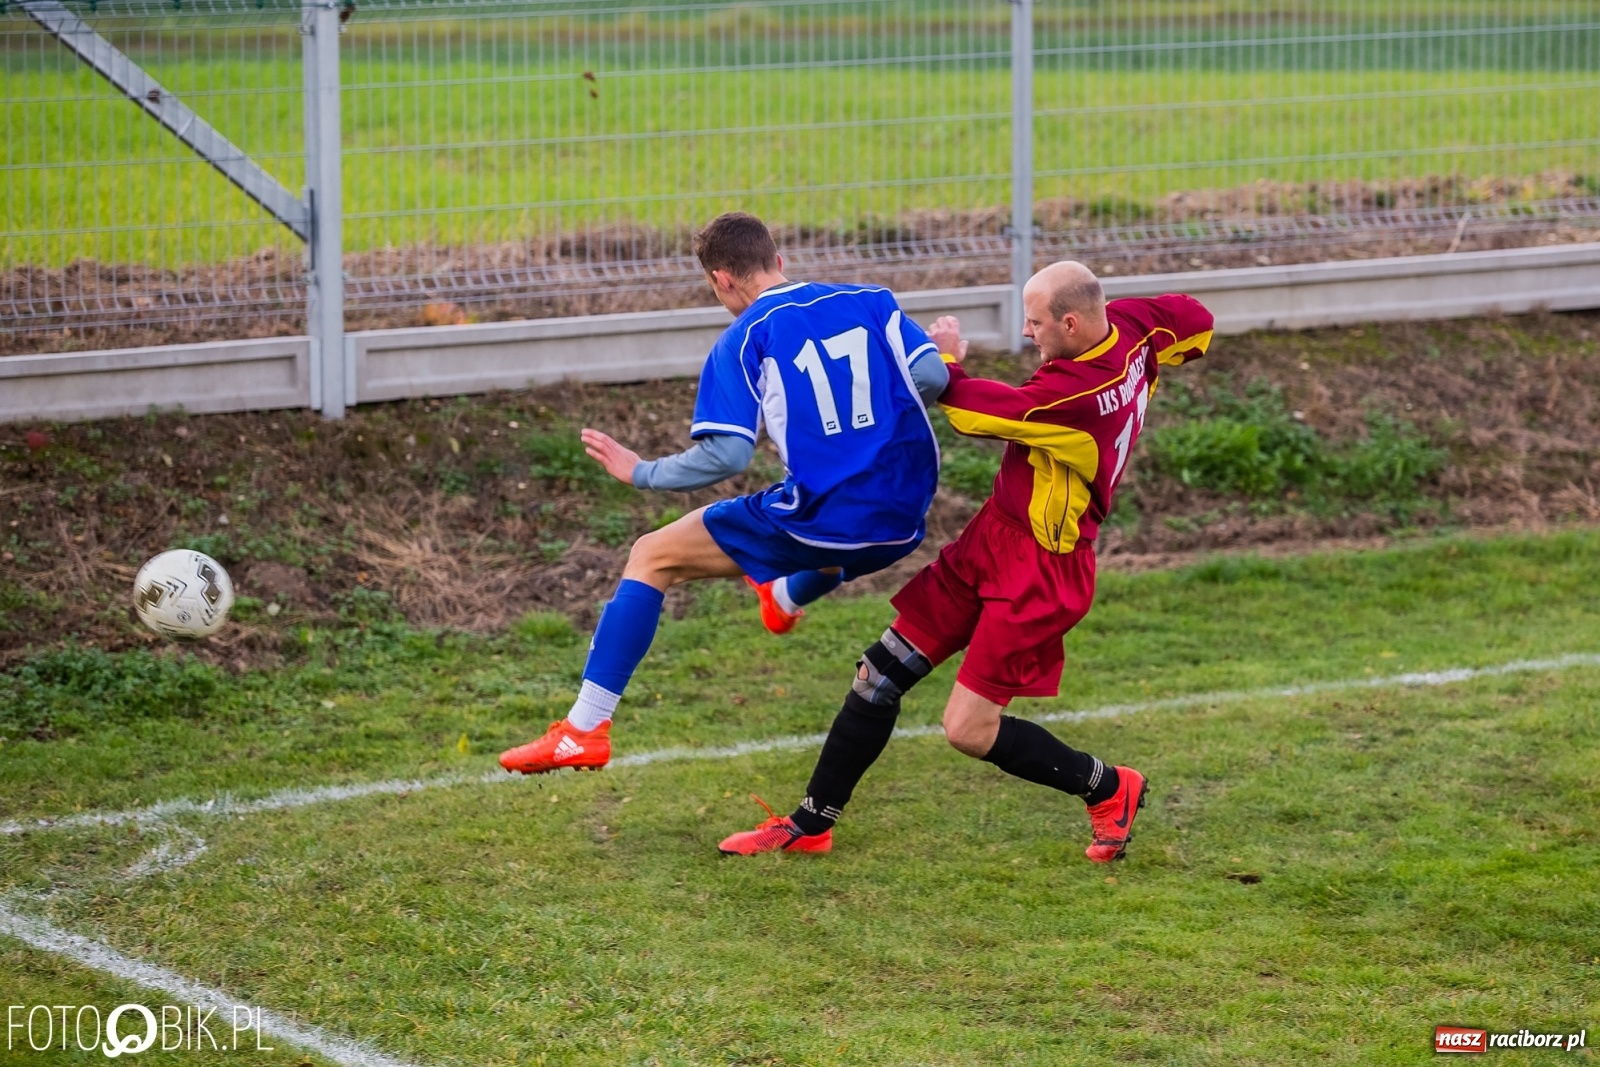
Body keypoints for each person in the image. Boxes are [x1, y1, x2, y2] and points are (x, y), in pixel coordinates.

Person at [718, 261, 1214, 863]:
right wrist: (1157, 368)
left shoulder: (1075, 397)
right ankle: (810, 823)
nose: (1028, 333)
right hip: (992, 539)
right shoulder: (1135, 324)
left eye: (1035, 323)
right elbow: (1197, 320)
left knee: (968, 730)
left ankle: (1110, 787)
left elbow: (977, 413)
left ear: (1073, 322)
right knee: (878, 676)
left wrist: (945, 357)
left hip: (1041, 570)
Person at [500, 212, 950, 775]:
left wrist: (642, 472)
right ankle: (783, 599)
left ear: (721, 280)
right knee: (831, 534)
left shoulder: (743, 338)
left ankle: (584, 729)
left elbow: (727, 456)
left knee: (651, 555)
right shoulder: (872, 300)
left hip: (825, 517)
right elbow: (932, 377)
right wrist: (940, 357)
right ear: (779, 262)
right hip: (905, 520)